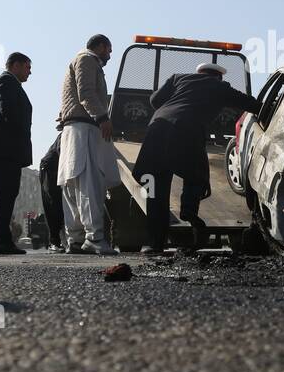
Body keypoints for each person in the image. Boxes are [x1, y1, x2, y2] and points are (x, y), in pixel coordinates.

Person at [133, 62, 260, 253]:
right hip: (187, 130)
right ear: (218, 77)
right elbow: (251, 104)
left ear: (198, 72)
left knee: (156, 189)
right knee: (197, 174)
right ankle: (189, 210)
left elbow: (154, 100)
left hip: (157, 128)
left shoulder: (178, 77)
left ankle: (155, 244)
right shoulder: (219, 86)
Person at [57, 34, 119, 255]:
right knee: (88, 183)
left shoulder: (78, 60)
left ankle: (76, 239)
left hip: (73, 128)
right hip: (84, 129)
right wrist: (103, 117)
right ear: (100, 46)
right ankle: (94, 237)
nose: (109, 55)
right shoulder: (87, 59)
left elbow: (73, 95)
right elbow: (86, 92)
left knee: (73, 184)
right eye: (109, 50)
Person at [0, 52, 34, 255]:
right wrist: (20, 136)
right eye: (27, 67)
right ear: (17, 65)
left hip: (5, 149)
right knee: (3, 196)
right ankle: (0, 241)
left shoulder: (10, 82)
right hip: (6, 149)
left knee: (4, 196)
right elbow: (8, 112)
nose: (30, 72)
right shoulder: (6, 81)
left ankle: (1, 240)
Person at [39, 132, 65, 252]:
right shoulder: (66, 134)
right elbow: (62, 153)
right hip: (49, 169)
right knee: (53, 205)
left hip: (55, 169)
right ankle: (54, 241)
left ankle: (56, 241)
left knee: (58, 205)